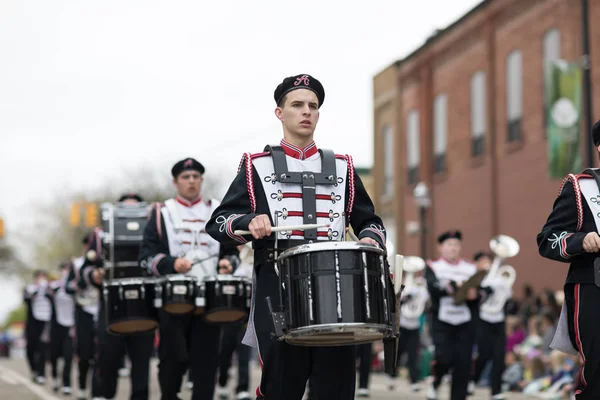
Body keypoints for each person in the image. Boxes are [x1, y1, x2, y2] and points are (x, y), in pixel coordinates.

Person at [206, 73, 387, 400]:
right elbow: (219, 223)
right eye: (298, 105)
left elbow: (369, 221)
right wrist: (249, 221)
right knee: (281, 386)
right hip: (276, 288)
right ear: (280, 113)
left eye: (313, 106)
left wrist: (371, 240)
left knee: (336, 387)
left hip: (337, 289)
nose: (307, 112)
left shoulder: (344, 166)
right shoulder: (255, 166)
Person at [139, 158, 240, 400]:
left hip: (210, 299)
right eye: (186, 177)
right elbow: (146, 256)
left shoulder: (218, 210)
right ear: (175, 182)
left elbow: (232, 251)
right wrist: (171, 263)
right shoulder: (160, 212)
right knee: (171, 359)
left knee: (207, 361)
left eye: (196, 176)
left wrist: (229, 264)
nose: (192, 181)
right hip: (174, 298)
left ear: (201, 180)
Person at [537, 119, 600, 398]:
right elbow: (547, 238)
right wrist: (579, 240)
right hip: (594, 286)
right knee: (598, 372)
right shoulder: (581, 187)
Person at [79, 193, 155, 400]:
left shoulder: (153, 230)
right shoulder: (100, 233)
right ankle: (102, 394)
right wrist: (95, 275)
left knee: (141, 361)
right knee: (108, 356)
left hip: (144, 303)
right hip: (111, 302)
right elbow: (85, 269)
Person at [424, 230, 492, 400]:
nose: (453, 248)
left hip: (465, 321)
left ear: (460, 247)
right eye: (449, 245)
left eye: (456, 245)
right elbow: (433, 287)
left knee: (463, 364)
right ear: (440, 247)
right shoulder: (433, 266)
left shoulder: (470, 267)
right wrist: (456, 286)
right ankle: (436, 380)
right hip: (442, 320)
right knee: (444, 358)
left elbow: (486, 289)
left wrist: (475, 294)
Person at [216, 244, 253, 400]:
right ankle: (223, 383)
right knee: (225, 352)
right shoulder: (226, 254)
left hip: (245, 314)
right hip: (228, 313)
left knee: (244, 354)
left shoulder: (252, 253)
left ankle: (242, 388)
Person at [470, 251, 509, 400]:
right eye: (483, 261)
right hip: (483, 320)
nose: (487, 264)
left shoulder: (498, 278)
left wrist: (503, 285)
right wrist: (487, 288)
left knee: (499, 357)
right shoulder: (476, 279)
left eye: (488, 261)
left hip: (498, 320)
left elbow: (507, 298)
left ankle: (496, 391)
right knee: (483, 355)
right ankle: (473, 380)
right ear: (477, 264)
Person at [49, 261, 75, 395]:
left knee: (68, 356)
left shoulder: (75, 286)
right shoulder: (55, 286)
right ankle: (54, 378)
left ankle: (67, 384)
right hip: (56, 325)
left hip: (70, 325)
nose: (66, 271)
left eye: (68, 269)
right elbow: (49, 294)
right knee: (54, 355)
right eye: (64, 269)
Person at [24, 270, 52, 384]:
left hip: (45, 322)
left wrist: (47, 290)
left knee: (42, 348)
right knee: (30, 349)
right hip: (32, 323)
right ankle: (34, 370)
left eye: (43, 277)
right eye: (39, 277)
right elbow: (26, 299)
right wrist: (37, 290)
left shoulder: (49, 289)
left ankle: (41, 374)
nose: (41, 279)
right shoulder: (29, 289)